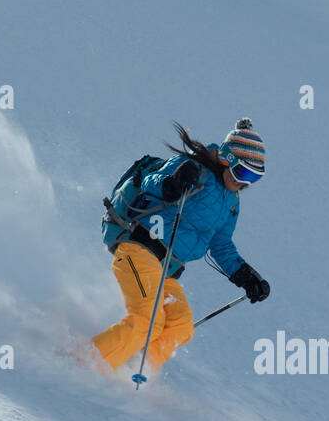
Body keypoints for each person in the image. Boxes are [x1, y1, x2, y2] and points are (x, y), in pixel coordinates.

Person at [91, 118, 270, 374]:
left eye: (254, 178)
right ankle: (84, 364)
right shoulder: (193, 169)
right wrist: (173, 184)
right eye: (243, 173)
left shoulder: (231, 202)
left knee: (180, 326)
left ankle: (131, 372)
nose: (244, 183)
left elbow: (221, 245)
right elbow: (151, 181)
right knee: (148, 321)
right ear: (226, 159)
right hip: (138, 250)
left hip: (165, 270)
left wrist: (246, 276)